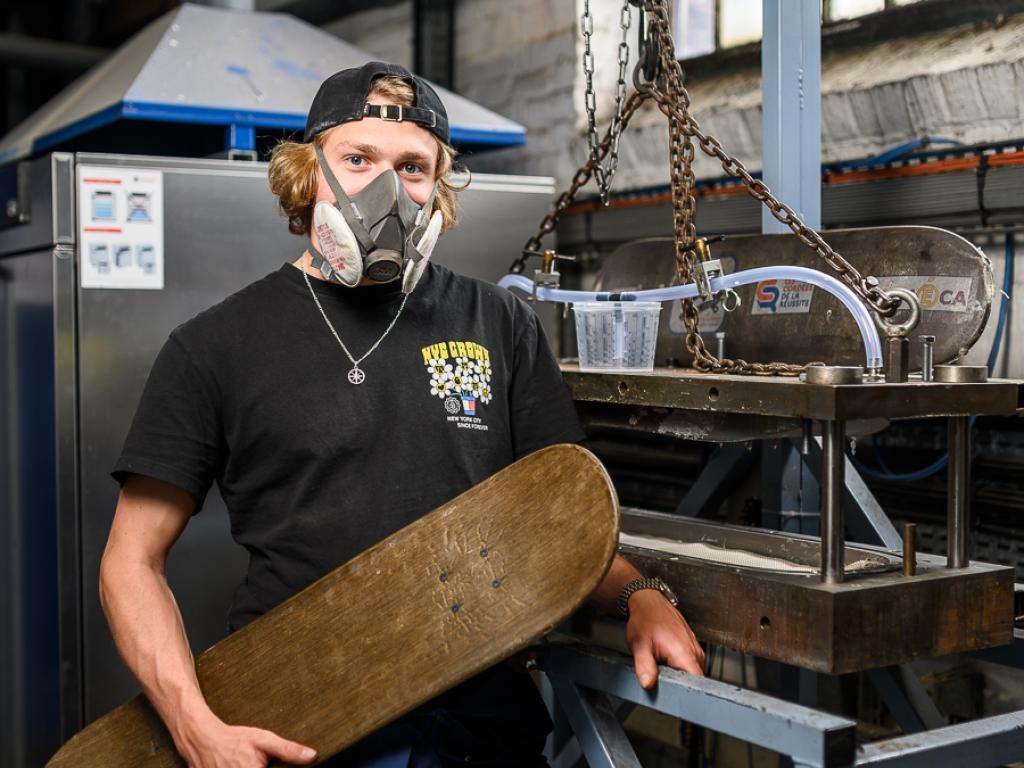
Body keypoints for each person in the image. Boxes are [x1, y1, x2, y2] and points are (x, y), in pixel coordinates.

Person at [99, 61, 704, 768]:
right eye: (358, 159)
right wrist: (193, 723)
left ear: (439, 189)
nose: (388, 189)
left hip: (481, 720)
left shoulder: (500, 323)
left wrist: (639, 594)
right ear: (307, 174)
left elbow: (557, 521)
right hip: (304, 720)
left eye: (414, 168)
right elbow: (129, 563)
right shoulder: (213, 346)